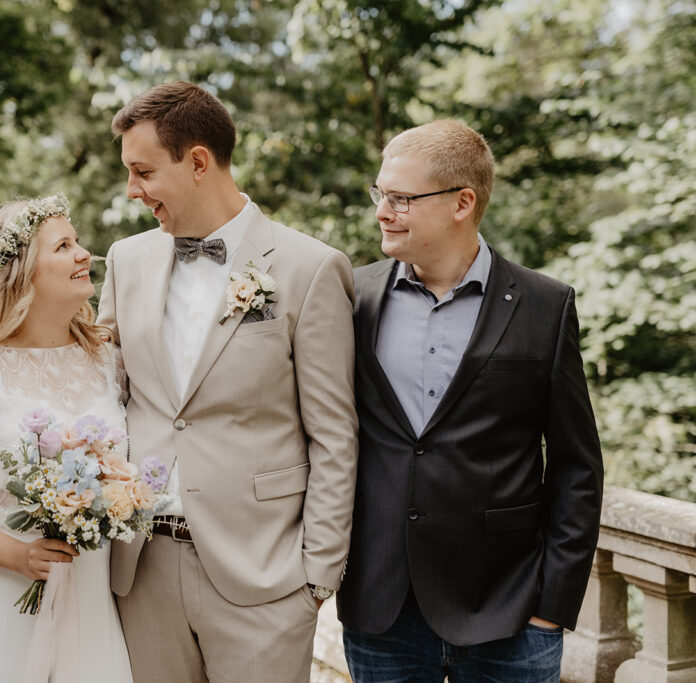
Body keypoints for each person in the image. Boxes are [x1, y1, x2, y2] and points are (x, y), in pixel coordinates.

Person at [97, 81, 358, 682]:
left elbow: (335, 436)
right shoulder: (126, 260)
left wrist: (315, 580)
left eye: (142, 172)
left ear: (196, 162)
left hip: (264, 581)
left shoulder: (310, 268)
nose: (132, 191)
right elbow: (103, 396)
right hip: (142, 572)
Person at [336, 120, 604, 682]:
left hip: (508, 614)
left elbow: (577, 468)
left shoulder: (545, 305)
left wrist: (550, 609)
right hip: (381, 610)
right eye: (379, 193)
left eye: (401, 198)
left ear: (462, 202)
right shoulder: (350, 296)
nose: (382, 211)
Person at [0, 194, 132, 683]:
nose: (83, 255)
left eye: (77, 243)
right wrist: (20, 556)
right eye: (64, 246)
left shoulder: (106, 359)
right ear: (21, 273)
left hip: (88, 591)